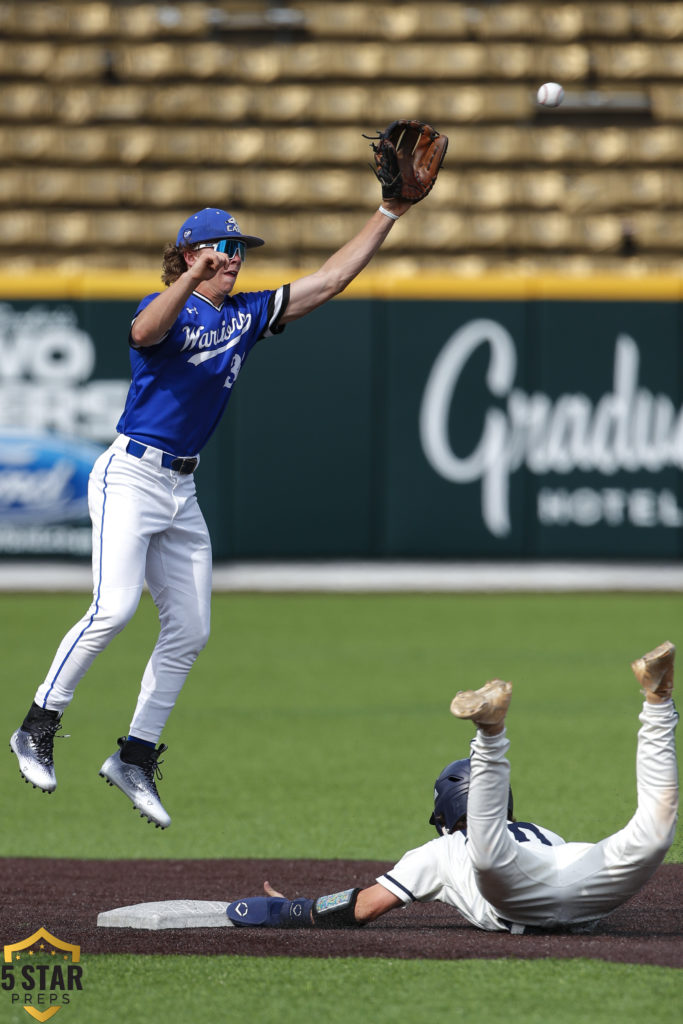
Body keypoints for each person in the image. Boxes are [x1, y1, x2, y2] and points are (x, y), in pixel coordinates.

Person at [9, 193, 415, 830]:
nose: (234, 259)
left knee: (191, 630)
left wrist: (388, 212)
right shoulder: (166, 306)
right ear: (189, 254)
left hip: (180, 490)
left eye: (239, 251)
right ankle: (38, 724)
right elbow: (142, 334)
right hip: (130, 474)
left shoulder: (248, 313)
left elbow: (332, 279)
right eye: (222, 249)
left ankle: (135, 755)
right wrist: (191, 278)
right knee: (112, 608)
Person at [226, 641, 679, 932]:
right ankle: (658, 702)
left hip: (522, 895)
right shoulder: (539, 830)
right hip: (582, 876)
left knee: (484, 850)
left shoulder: (439, 851)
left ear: (443, 815)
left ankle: (489, 730)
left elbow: (362, 908)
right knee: (654, 832)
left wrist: (288, 910)